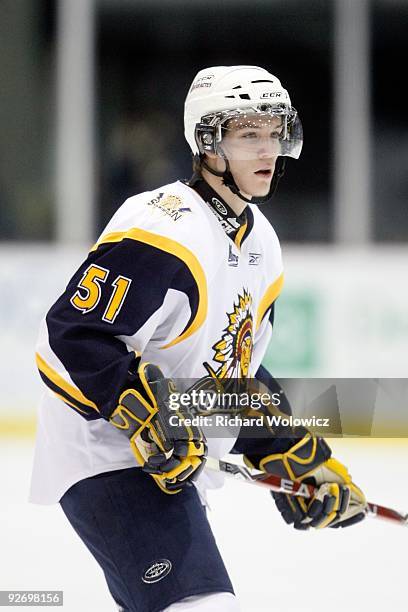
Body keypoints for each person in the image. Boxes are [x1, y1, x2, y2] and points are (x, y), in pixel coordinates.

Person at [29, 66, 367, 612]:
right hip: (104, 455)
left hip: (165, 467)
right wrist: (147, 415)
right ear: (208, 143)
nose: (268, 149)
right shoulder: (164, 226)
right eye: (248, 134)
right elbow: (75, 333)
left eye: (274, 132)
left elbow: (230, 378)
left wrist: (294, 455)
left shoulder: (262, 244)